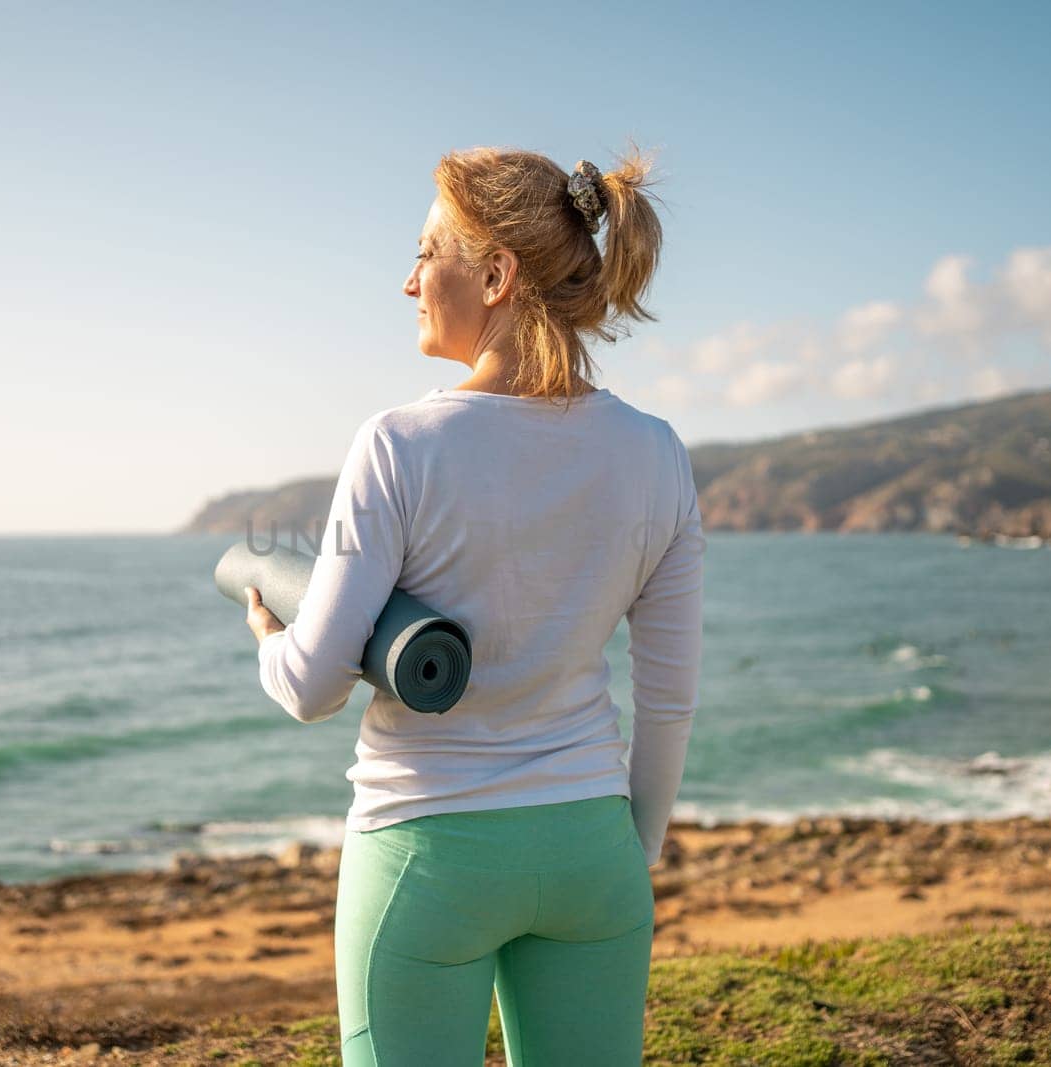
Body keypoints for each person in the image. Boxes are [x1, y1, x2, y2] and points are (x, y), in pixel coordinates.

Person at [243, 144, 705, 1067]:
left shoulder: (400, 444)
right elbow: (669, 699)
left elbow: (312, 686)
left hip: (426, 856)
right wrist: (631, 852)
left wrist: (267, 635)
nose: (409, 280)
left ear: (495, 274)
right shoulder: (657, 453)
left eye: (426, 253)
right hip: (591, 855)